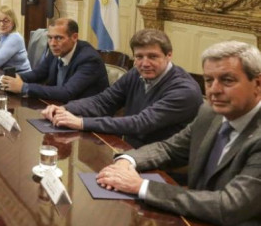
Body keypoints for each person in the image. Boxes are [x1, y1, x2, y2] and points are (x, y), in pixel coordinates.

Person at [95, 41, 261, 225]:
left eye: (227, 80)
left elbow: (228, 207)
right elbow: (169, 148)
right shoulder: (210, 113)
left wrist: (141, 186)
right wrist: (127, 162)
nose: (214, 90)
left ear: (258, 84)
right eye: (208, 80)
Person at [41, 29, 203, 147]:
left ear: (169, 55)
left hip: (162, 162)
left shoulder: (184, 91)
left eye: (153, 56)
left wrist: (81, 122)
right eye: (139, 57)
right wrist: (65, 109)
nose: (145, 63)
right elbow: (103, 101)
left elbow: (140, 123)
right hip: (128, 150)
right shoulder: (136, 73)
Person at [0, 18, 108, 102]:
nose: (52, 43)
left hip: (86, 116)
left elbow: (67, 92)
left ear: (74, 37)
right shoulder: (57, 49)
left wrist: (24, 87)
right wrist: (16, 78)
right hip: (60, 108)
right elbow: (38, 74)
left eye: (59, 38)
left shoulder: (89, 59)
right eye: (50, 37)